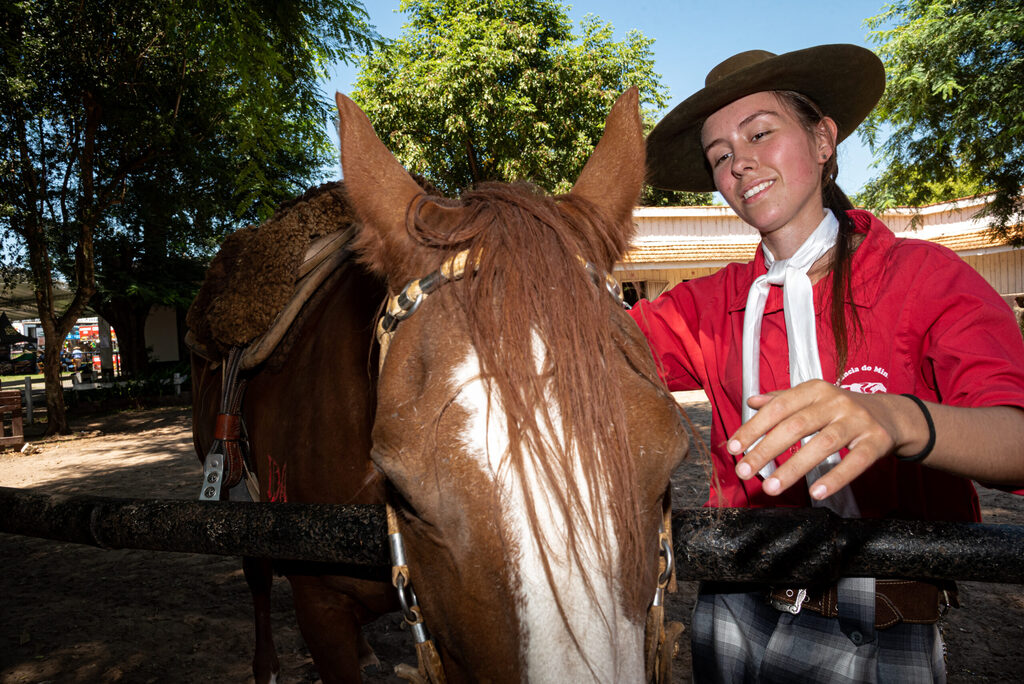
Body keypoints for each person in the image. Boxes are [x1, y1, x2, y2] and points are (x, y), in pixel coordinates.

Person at [633, 44, 1024, 682]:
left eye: (760, 132)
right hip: (732, 607)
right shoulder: (708, 304)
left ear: (822, 139)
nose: (740, 163)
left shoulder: (924, 278)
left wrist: (899, 420)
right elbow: (584, 345)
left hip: (876, 624)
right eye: (720, 155)